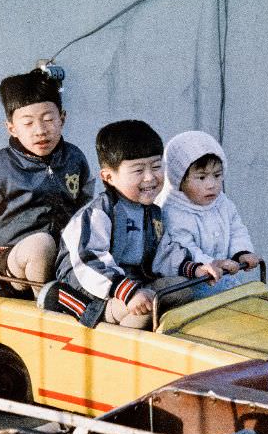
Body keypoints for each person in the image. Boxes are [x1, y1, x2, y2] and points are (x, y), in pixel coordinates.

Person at [40, 120, 219, 329]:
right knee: (147, 308)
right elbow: (88, 260)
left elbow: (164, 252)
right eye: (138, 170)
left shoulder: (153, 213)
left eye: (156, 166)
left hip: (134, 285)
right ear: (109, 177)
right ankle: (118, 347)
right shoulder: (99, 213)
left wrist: (194, 268)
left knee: (181, 290)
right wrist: (128, 292)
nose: (150, 177)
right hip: (94, 291)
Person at [0, 69, 95, 297]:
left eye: (48, 120)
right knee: (41, 244)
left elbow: (86, 206)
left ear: (62, 119)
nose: (40, 131)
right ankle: (45, 301)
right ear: (12, 128)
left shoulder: (74, 159)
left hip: (63, 256)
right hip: (13, 261)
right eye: (28, 123)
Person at [153, 130, 261, 299]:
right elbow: (184, 248)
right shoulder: (172, 212)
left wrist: (241, 252)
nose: (211, 185)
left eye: (217, 175)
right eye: (201, 178)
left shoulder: (222, 203)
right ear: (179, 179)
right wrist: (208, 264)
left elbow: (236, 229)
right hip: (192, 283)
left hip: (223, 277)